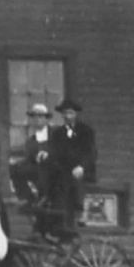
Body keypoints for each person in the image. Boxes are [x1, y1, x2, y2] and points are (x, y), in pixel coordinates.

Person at [49, 98, 98, 230]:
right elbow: (54, 154)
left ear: (76, 114)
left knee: (75, 182)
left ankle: (80, 214)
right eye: (65, 113)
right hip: (63, 172)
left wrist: (82, 166)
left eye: (70, 113)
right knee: (59, 188)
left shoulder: (86, 131)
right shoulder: (57, 134)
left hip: (81, 171)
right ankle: (62, 223)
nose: (67, 116)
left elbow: (91, 153)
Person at [8, 103, 60, 208]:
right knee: (15, 168)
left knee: (45, 167)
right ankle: (27, 198)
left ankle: (46, 196)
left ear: (46, 119)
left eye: (40, 116)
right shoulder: (31, 141)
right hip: (38, 170)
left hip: (55, 170)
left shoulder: (56, 134)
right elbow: (29, 160)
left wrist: (48, 154)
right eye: (34, 116)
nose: (37, 119)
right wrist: (17, 164)